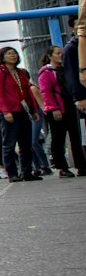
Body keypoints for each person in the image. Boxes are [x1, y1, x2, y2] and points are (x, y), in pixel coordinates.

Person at [0, 47, 42, 183]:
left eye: (14, 53)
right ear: (2, 57)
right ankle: (12, 173)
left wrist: (34, 110)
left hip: (23, 111)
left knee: (26, 144)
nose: (12, 56)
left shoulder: (20, 72)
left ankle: (26, 172)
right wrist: (5, 111)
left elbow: (28, 92)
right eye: (9, 54)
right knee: (9, 143)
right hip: (9, 112)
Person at [51, 32, 86, 177]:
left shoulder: (63, 69)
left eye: (61, 53)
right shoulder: (48, 72)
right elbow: (47, 92)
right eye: (57, 53)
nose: (60, 55)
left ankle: (81, 165)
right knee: (61, 136)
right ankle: (64, 166)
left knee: (76, 136)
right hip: (59, 107)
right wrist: (54, 108)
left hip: (70, 105)